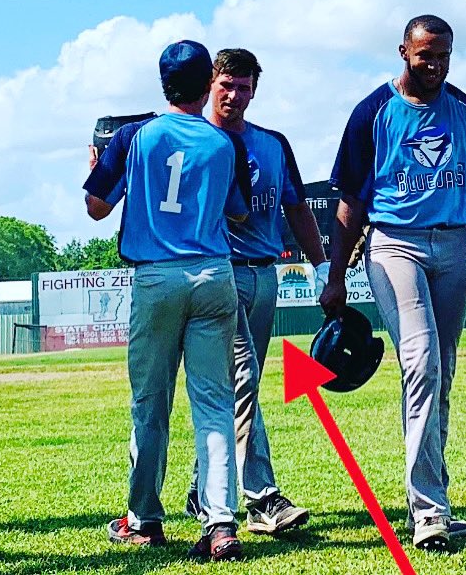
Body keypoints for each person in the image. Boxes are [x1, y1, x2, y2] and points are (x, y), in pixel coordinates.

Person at [320, 14, 466, 552]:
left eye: (444, 56)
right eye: (425, 55)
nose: (435, 65)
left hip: (454, 245)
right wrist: (335, 277)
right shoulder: (373, 112)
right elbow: (350, 203)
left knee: (441, 372)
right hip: (394, 244)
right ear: (404, 50)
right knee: (421, 359)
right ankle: (428, 512)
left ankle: (436, 502)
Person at [83, 40, 251, 562]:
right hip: (212, 272)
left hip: (155, 276)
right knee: (214, 403)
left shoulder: (135, 136)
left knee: (150, 403)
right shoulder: (224, 142)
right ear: (208, 85)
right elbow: (241, 213)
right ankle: (221, 523)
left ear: (163, 84)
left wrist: (95, 164)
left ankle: (144, 519)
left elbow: (95, 207)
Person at [184, 48, 328, 535]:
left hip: (264, 275)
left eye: (244, 87)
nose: (234, 95)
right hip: (217, 275)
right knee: (241, 380)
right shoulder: (193, 142)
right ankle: (262, 498)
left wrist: (322, 265)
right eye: (226, 85)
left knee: (238, 386)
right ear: (209, 85)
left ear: (255, 90)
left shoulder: (273, 144)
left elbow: (298, 208)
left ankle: (204, 484)